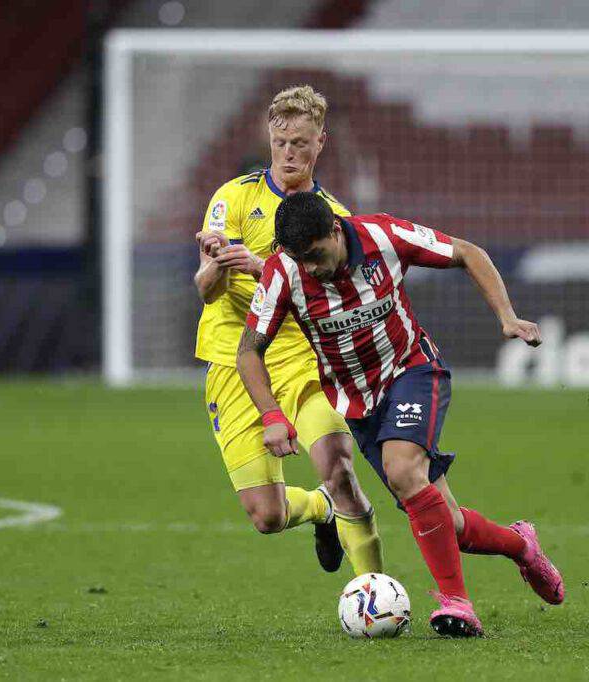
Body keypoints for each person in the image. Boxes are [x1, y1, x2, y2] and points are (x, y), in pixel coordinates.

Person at [237, 191, 565, 637]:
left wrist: (506, 316)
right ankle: (521, 545)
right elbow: (249, 352)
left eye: (316, 256)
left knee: (403, 470)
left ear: (336, 230)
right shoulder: (283, 273)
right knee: (447, 522)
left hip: (412, 370)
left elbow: (467, 252)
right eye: (301, 260)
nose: (311, 268)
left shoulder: (383, 235)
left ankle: (457, 603)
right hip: (358, 402)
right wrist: (272, 414)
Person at [193, 86, 383, 576]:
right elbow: (206, 291)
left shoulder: (335, 219)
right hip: (232, 354)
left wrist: (264, 269)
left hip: (301, 356)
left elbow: (332, 298)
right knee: (267, 516)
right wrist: (215, 263)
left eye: (300, 142)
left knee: (340, 468)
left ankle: (372, 590)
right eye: (280, 143)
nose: (289, 153)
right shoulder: (233, 198)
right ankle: (321, 511)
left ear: (321, 141)